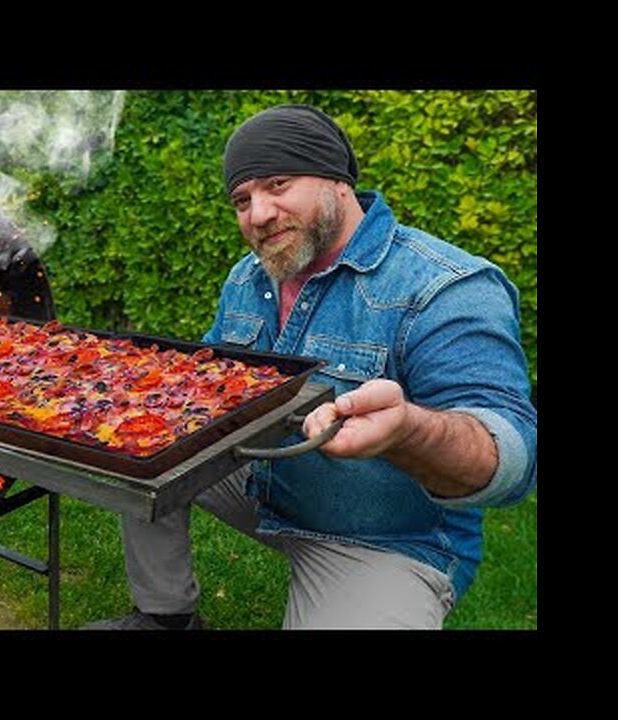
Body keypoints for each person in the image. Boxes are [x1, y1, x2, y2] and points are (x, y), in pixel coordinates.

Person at [84, 104, 537, 630]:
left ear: (337, 182)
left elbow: (515, 460)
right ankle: (165, 617)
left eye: (278, 183)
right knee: (139, 442)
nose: (258, 214)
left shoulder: (445, 287)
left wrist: (409, 430)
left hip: (384, 538)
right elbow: (207, 388)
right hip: (260, 479)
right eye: (242, 200)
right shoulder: (248, 278)